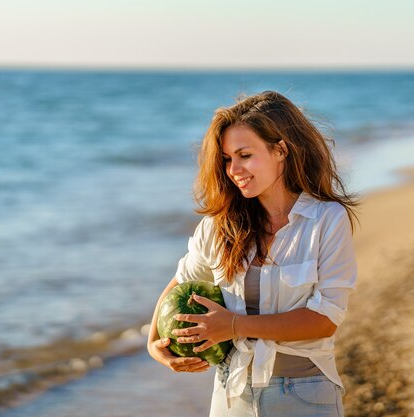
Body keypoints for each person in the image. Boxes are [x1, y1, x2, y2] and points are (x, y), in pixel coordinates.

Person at [147, 90, 358, 417]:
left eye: (245, 155)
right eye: (228, 159)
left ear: (280, 150)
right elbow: (181, 281)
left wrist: (233, 325)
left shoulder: (326, 220)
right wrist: (153, 343)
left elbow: (324, 320)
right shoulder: (219, 226)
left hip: (304, 394)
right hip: (231, 395)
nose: (234, 170)